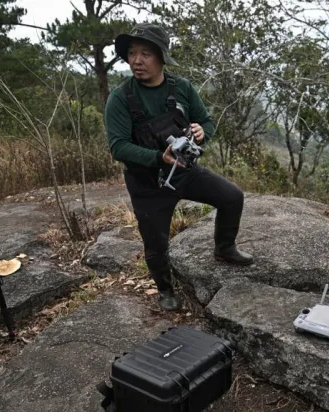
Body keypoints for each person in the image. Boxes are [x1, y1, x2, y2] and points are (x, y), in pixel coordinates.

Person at [104, 23, 254, 311]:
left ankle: (224, 249)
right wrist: (157, 158)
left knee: (232, 197)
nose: (137, 60)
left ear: (161, 57)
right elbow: (118, 147)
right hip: (147, 183)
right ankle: (165, 289)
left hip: (184, 171)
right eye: (132, 53)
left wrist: (201, 132)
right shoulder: (120, 98)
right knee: (156, 243)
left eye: (145, 53)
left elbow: (206, 121)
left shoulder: (181, 87)